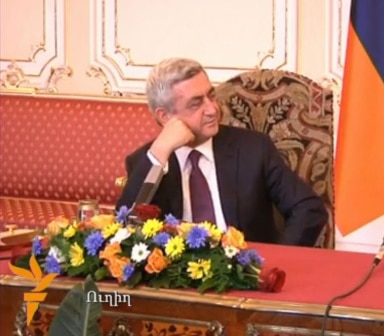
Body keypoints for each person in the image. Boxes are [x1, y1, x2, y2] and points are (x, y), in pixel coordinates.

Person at [116, 58, 328, 247]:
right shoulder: (148, 161)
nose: (212, 109)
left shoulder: (253, 149)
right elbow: (124, 229)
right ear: (164, 117)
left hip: (247, 275)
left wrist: (281, 260)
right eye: (196, 103)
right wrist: (159, 153)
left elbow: (308, 208)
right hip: (177, 279)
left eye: (211, 96)